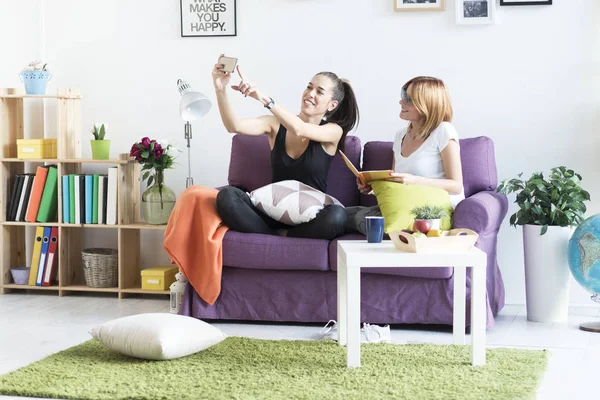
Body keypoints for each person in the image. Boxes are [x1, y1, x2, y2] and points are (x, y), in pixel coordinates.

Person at [213, 55, 360, 240]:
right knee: (227, 195)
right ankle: (275, 236)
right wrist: (220, 89)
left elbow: (300, 129)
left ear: (332, 105)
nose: (310, 94)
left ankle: (282, 237)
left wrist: (264, 99)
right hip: (271, 213)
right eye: (309, 87)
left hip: (309, 219)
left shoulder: (333, 131)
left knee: (337, 216)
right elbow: (233, 126)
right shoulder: (275, 124)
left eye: (319, 91)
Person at [345, 76, 464, 235]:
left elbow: (456, 186)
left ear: (427, 103)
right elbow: (397, 184)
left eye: (409, 100)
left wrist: (414, 181)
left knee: (358, 218)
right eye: (403, 97)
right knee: (340, 213)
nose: (401, 102)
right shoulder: (401, 135)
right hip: (406, 205)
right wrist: (371, 188)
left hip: (431, 211)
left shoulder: (444, 131)